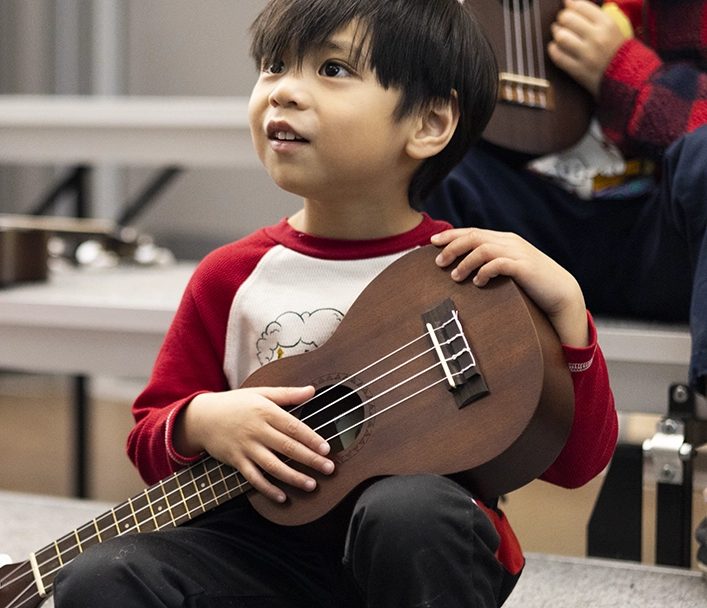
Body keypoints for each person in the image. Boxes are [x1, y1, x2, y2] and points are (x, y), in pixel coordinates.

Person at [52, 0, 618, 606]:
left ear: (428, 122)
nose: (284, 92)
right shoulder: (230, 276)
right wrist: (203, 421)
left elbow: (573, 463)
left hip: (415, 549)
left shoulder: (469, 273)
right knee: (97, 577)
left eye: (333, 69)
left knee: (409, 511)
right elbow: (151, 438)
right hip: (259, 549)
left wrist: (568, 315)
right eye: (273, 66)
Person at [424, 0, 707, 396]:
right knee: (430, 161)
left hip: (668, 243)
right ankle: (444, 405)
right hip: (531, 222)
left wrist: (623, 72)